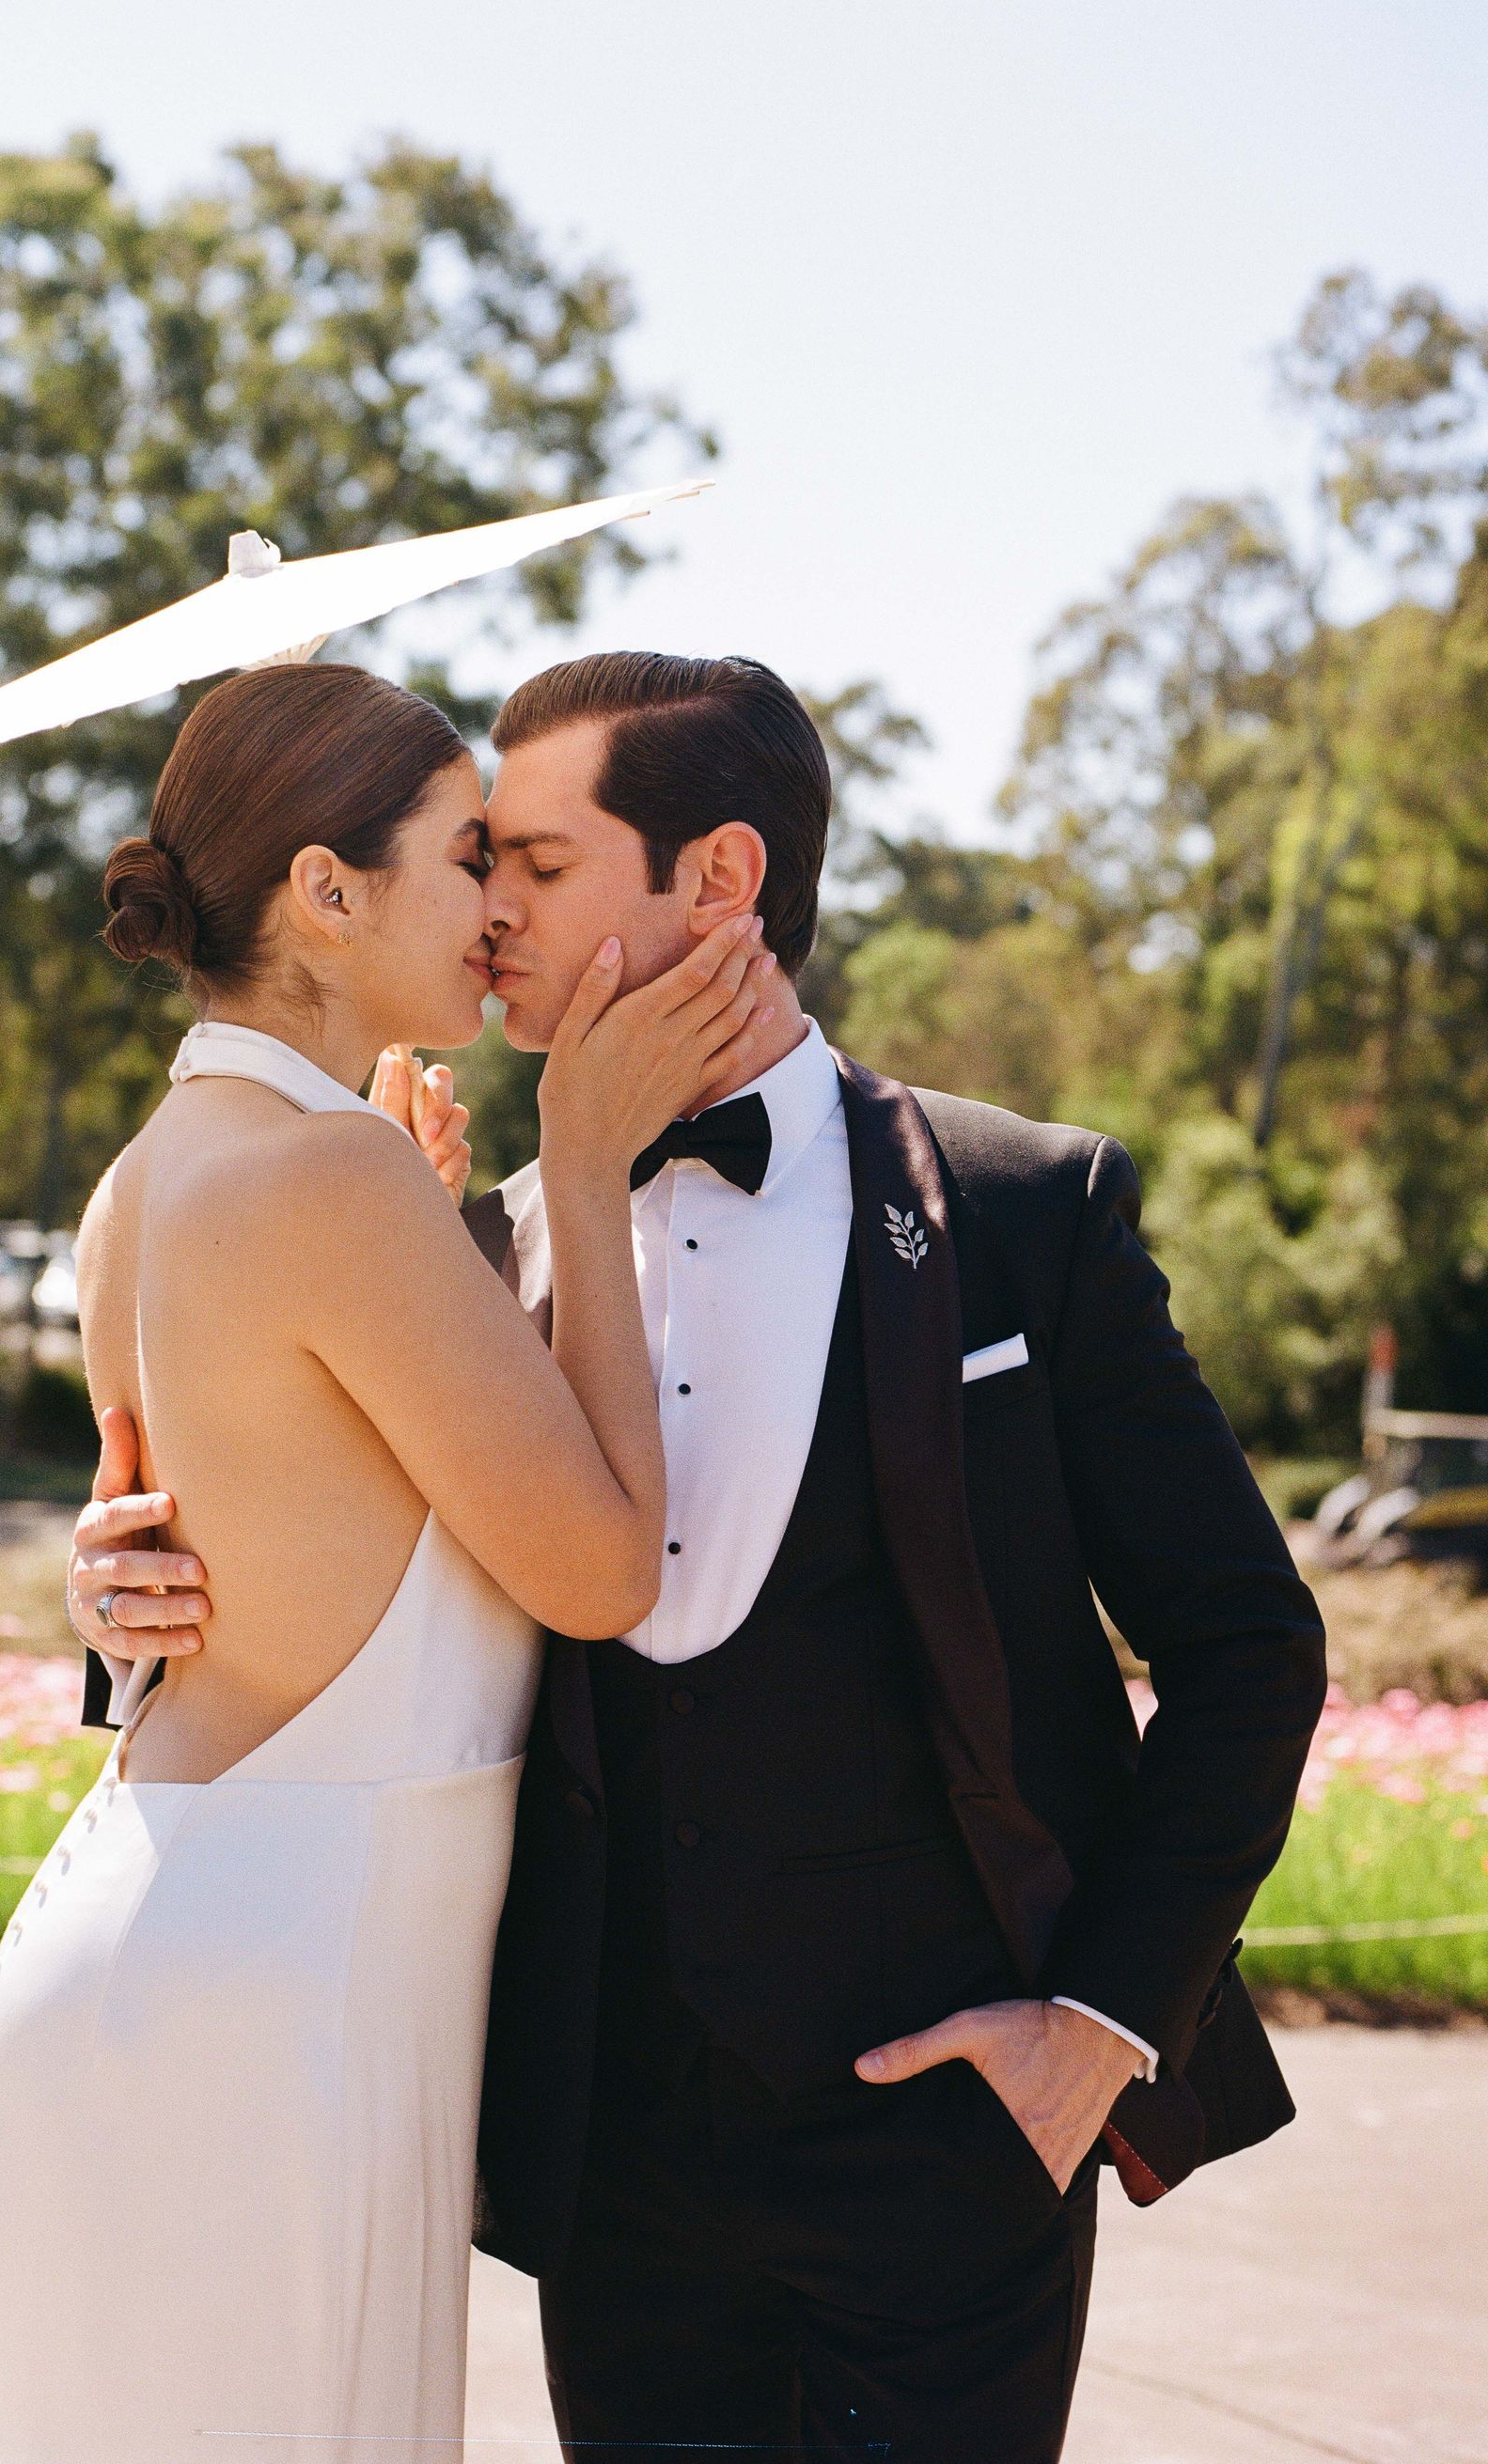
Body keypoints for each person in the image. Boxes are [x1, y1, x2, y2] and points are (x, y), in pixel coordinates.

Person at [73, 652, 1329, 2464]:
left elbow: (1248, 1644)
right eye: (477, 860)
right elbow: (301, 1581)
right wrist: (114, 1594)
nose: (491, 908)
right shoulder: (469, 1242)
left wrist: (1099, 2025)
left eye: (544, 863)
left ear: (720, 883)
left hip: (954, 2156)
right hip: (620, 2177)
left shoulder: (1016, 1212)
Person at [0, 661, 774, 2464]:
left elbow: (224, 1531)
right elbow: (604, 1566)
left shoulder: (144, 1180)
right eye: (467, 856)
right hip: (277, 2004)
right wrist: (579, 1170)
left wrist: (426, 1205)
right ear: (328, 891)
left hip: (177, 1936)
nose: (501, 909)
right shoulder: (336, 1183)